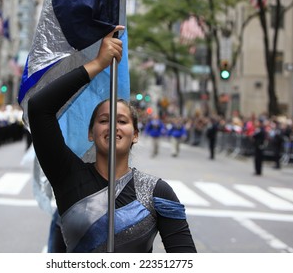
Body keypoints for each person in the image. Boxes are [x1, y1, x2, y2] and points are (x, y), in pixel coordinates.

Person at [28, 26, 196, 253]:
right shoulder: (67, 176)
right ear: (91, 133)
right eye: (105, 120)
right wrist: (97, 64)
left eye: (123, 121)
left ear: (135, 135)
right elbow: (39, 108)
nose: (114, 126)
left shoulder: (158, 192)